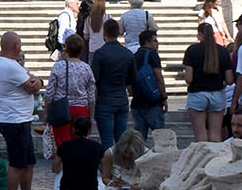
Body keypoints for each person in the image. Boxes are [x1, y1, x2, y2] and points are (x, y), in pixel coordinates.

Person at [0, 30, 43, 190]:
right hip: (15, 120)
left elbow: (32, 81)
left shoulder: (7, 64)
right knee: (17, 163)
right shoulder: (10, 66)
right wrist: (38, 81)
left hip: (20, 119)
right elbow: (32, 87)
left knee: (28, 161)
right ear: (16, 46)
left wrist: (37, 81)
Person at [183, 22, 234, 142]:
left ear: (199, 34)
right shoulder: (223, 51)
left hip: (197, 94)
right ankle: (215, 160)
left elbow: (188, 79)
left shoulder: (192, 50)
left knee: (201, 135)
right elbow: (230, 80)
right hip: (217, 93)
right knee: (216, 134)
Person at [90, 18, 137, 149]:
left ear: (104, 33)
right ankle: (121, 167)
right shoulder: (127, 53)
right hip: (121, 99)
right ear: (118, 33)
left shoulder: (100, 54)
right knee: (121, 140)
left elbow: (94, 78)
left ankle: (108, 168)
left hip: (105, 99)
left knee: (107, 142)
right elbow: (132, 78)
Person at [43, 33, 95, 149]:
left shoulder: (58, 66)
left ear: (66, 48)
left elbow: (50, 92)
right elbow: (91, 95)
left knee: (63, 144)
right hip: (81, 109)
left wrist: (47, 111)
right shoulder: (86, 68)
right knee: (81, 144)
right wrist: (91, 116)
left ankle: (63, 166)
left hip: (62, 109)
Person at [52, 116, 105, 190]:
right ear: (89, 131)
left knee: (59, 173)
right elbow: (104, 170)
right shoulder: (97, 147)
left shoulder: (64, 146)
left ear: (73, 130)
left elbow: (54, 168)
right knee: (101, 177)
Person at [130, 27, 167, 140]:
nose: (157, 44)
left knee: (140, 140)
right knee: (161, 138)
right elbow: (159, 78)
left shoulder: (133, 56)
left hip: (137, 102)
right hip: (152, 102)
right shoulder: (152, 55)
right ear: (146, 43)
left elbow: (129, 81)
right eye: (154, 41)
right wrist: (164, 97)